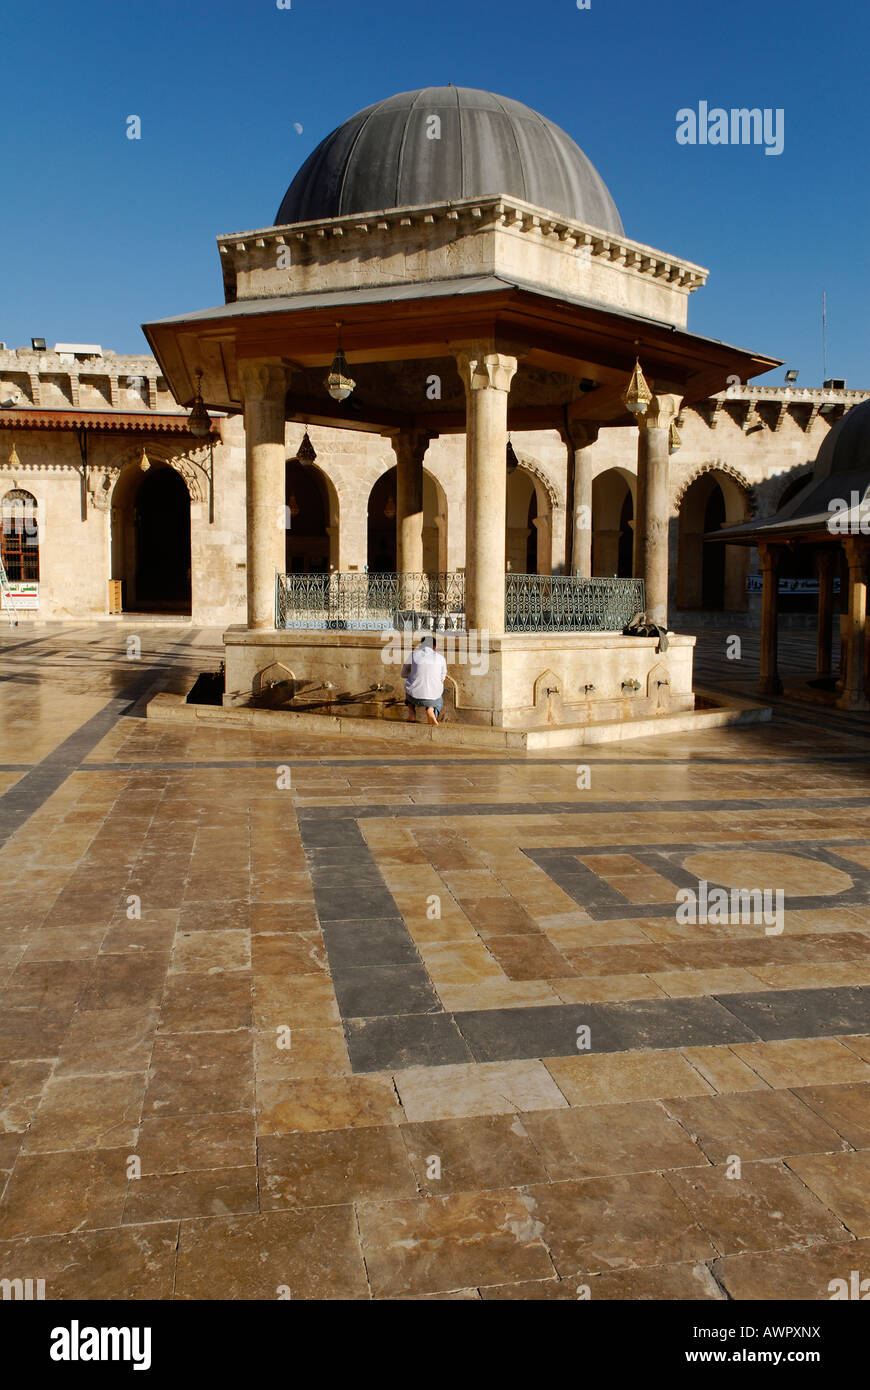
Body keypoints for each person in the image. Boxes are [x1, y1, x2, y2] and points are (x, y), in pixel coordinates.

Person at [401, 634, 447, 726]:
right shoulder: (441, 658)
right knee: (439, 699)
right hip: (433, 699)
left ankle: (412, 714)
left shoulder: (413, 655)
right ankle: (431, 710)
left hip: (413, 697)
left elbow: (403, 674)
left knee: (409, 687)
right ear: (435, 647)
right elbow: (442, 677)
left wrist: (413, 675)